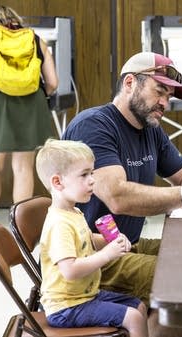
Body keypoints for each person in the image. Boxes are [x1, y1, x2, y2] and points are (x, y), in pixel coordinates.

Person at [62, 51, 182, 337]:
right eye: (160, 91)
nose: (165, 103)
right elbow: (118, 198)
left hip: (124, 244)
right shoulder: (94, 126)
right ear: (130, 83)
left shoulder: (149, 128)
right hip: (92, 257)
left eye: (169, 96)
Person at [36, 139, 148, 337]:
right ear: (57, 182)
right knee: (134, 317)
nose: (92, 180)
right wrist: (107, 255)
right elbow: (69, 270)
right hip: (66, 307)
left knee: (138, 307)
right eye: (84, 175)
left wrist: (110, 241)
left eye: (92, 173)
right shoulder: (59, 224)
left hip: (85, 295)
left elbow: (87, 240)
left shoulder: (74, 212)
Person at [0, 5, 58, 236]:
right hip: (31, 104)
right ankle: (22, 228)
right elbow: (52, 82)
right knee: (23, 167)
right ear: (16, 20)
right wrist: (38, 97)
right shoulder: (35, 39)